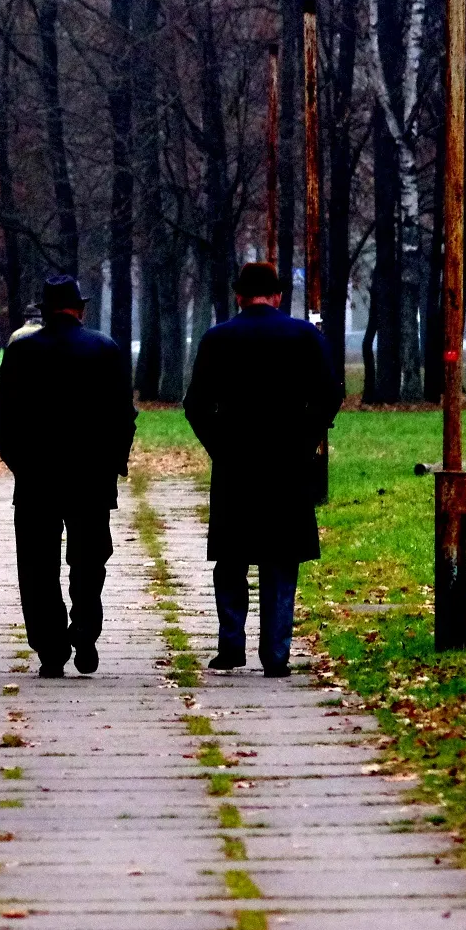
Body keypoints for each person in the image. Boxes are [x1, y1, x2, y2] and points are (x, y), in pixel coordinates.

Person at [184, 261, 340, 677]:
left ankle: (231, 645)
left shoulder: (218, 338)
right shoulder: (304, 336)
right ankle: (276, 653)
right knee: (280, 559)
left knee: (232, 558)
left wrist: (219, 445)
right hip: (287, 463)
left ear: (239, 296)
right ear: (277, 296)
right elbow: (329, 395)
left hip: (235, 462)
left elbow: (195, 404)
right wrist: (306, 441)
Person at [0, 275, 136, 678]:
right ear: (80, 309)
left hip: (37, 476)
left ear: (45, 309)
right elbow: (125, 416)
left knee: (37, 565)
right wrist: (114, 462)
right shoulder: (104, 349)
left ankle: (51, 648)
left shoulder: (22, 352)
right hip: (91, 476)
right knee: (89, 560)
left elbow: (2, 419)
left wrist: (19, 464)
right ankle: (86, 631)